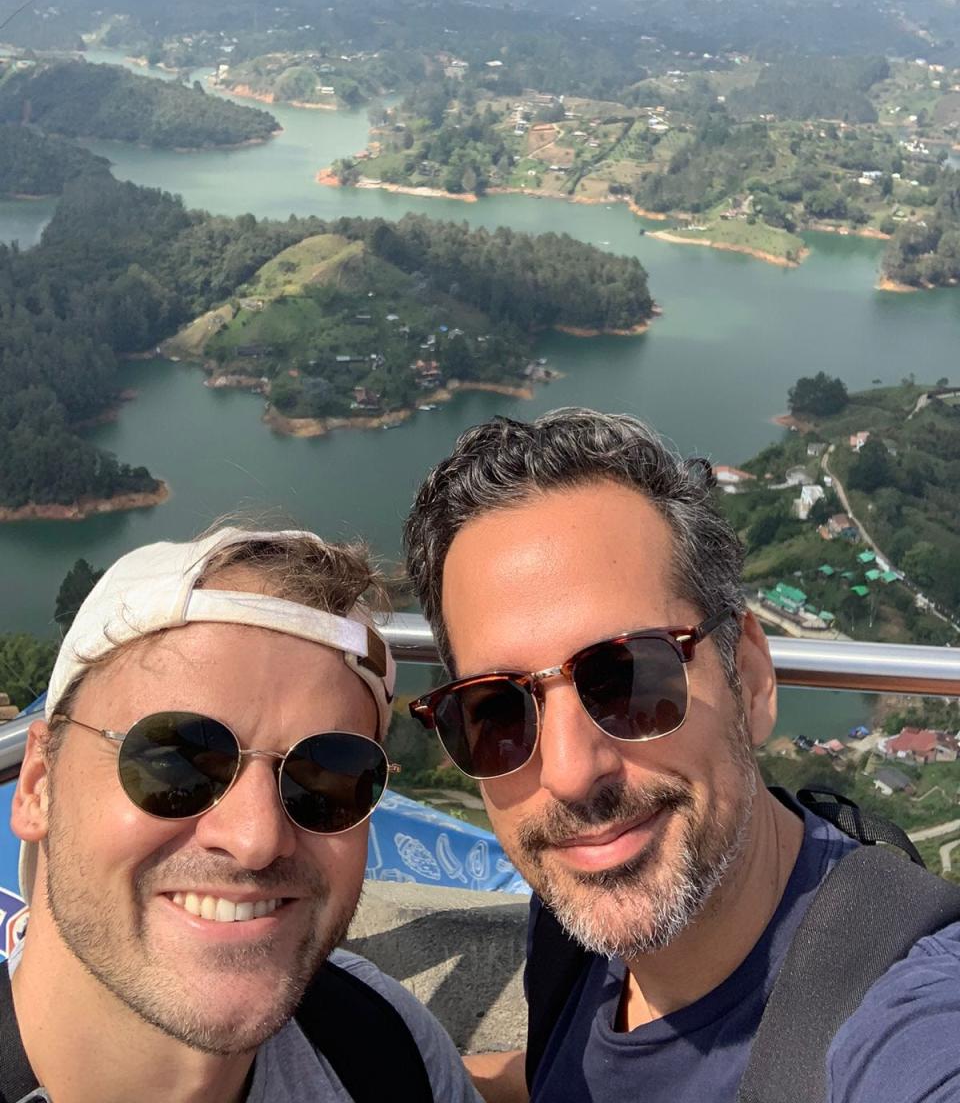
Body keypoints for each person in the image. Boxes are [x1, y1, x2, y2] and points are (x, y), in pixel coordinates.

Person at [402, 408, 958, 1103]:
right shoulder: (575, 940)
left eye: (629, 678)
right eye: (497, 711)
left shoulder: (905, 1009)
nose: (571, 774)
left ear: (749, 678)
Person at [8, 524, 482, 1103]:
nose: (257, 838)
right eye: (177, 761)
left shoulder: (386, 1047)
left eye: (327, 775)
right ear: (39, 785)